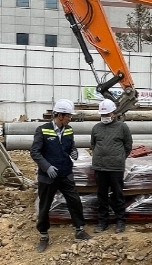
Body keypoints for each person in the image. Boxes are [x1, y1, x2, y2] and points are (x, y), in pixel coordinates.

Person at [30, 98, 91, 252]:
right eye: (69, 116)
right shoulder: (43, 130)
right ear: (60, 115)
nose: (70, 119)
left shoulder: (69, 129)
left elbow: (71, 146)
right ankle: (43, 235)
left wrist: (74, 151)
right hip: (48, 177)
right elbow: (35, 152)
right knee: (45, 206)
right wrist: (47, 167)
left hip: (65, 174)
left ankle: (80, 230)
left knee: (75, 201)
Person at [91, 99, 133, 234]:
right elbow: (93, 145)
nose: (105, 117)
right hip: (100, 167)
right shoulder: (96, 128)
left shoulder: (122, 127)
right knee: (101, 196)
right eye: (102, 115)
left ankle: (120, 221)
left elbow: (128, 146)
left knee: (118, 195)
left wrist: (119, 158)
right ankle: (102, 222)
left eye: (107, 114)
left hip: (116, 168)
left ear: (114, 113)